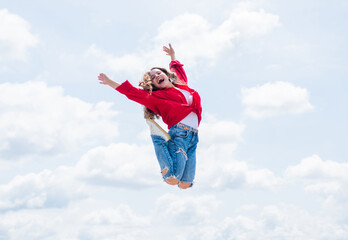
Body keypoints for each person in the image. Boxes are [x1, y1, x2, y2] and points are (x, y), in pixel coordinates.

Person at [98, 44, 202, 189]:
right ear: (153, 84)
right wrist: (110, 82)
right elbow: (133, 93)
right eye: (153, 77)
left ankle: (166, 151)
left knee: (185, 184)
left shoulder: (182, 85)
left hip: (193, 137)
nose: (157, 76)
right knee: (171, 178)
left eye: (159, 73)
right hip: (179, 133)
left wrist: (172, 56)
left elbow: (177, 70)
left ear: (166, 75)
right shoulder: (156, 97)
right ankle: (158, 139)